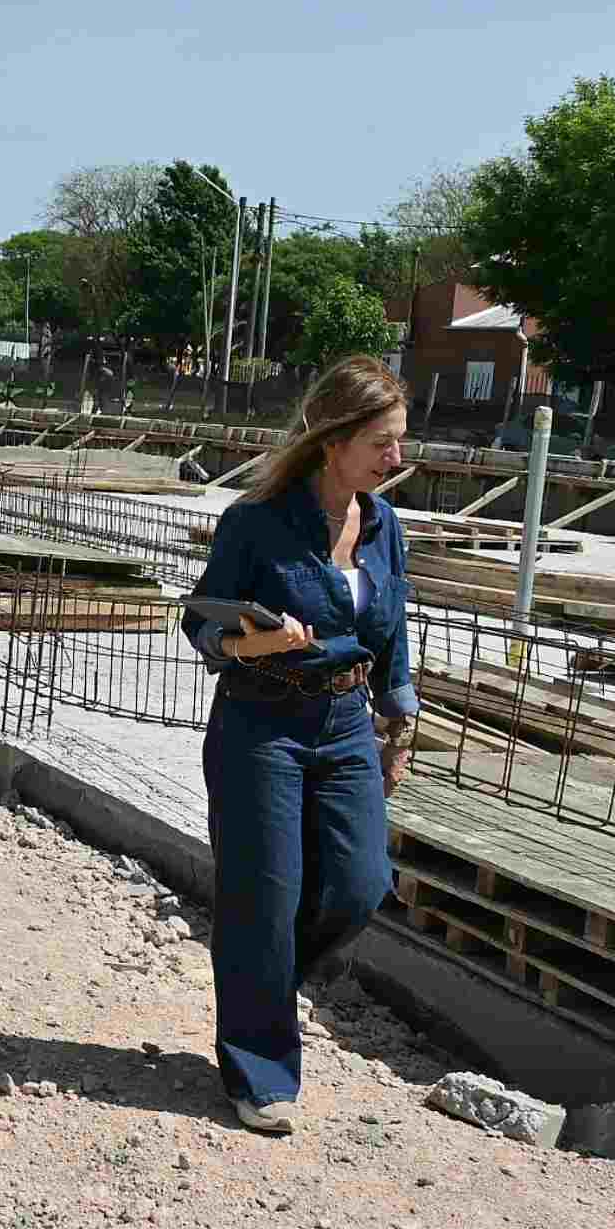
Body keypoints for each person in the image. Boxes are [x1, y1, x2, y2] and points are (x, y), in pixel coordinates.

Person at [180, 354, 419, 1135]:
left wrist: (399, 723)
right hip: (262, 721)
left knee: (359, 885)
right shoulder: (256, 522)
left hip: (347, 723)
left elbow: (393, 633)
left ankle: (264, 986)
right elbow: (200, 623)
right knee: (264, 897)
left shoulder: (384, 527)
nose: (396, 457)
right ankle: (260, 1073)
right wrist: (258, 641)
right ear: (332, 441)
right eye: (382, 442)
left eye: (400, 440)